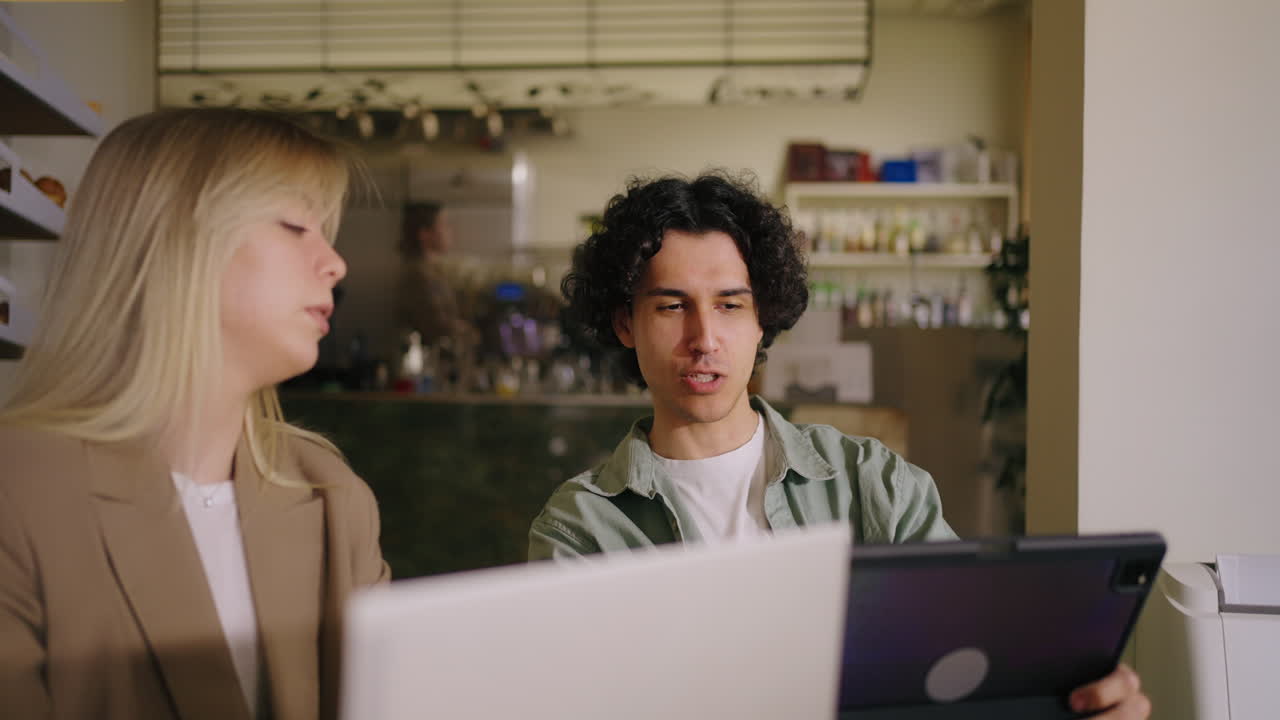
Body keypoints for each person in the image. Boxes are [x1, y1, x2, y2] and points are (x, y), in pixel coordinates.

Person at [528, 172, 1150, 719]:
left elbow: (975, 665)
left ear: (762, 317)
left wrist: (1066, 702)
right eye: (671, 306)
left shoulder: (873, 483)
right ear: (625, 322)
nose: (704, 337)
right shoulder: (582, 528)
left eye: (730, 305)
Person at [0, 108, 390, 720]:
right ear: (171, 241)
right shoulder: (17, 490)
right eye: (295, 226)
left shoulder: (334, 498)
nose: (336, 264)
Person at [393, 201, 477, 348]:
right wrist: (469, 332)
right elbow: (436, 327)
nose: (449, 231)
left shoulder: (432, 271)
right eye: (443, 225)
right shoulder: (418, 275)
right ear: (425, 234)